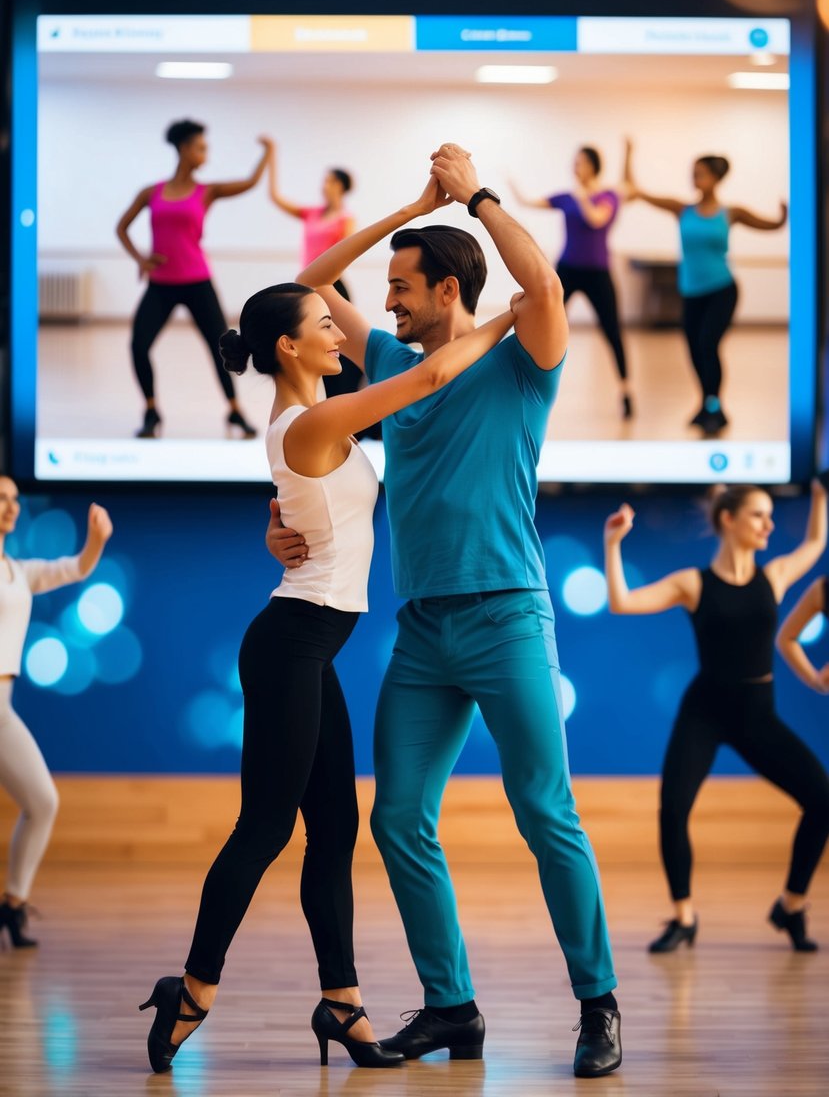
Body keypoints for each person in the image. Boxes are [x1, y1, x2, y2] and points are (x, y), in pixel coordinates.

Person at [137, 176, 521, 1075]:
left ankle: (342, 1005)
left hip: (312, 644)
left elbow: (310, 278)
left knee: (335, 833)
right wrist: (510, 315)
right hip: (291, 642)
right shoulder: (310, 422)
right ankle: (192, 989)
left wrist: (402, 213)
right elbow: (429, 374)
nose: (338, 326)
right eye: (321, 325)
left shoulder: (301, 412)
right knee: (264, 828)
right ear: (288, 348)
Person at [267, 143, 622, 1080]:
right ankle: (451, 1006)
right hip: (421, 630)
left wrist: (478, 199)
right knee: (398, 821)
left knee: (544, 812)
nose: (386, 302)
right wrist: (402, 213)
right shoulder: (385, 359)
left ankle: (598, 1002)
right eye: (386, 288)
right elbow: (302, 287)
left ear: (448, 290)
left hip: (508, 616)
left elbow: (540, 285)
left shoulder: (521, 365)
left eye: (403, 287)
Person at [604, 482, 829, 953]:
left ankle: (790, 906)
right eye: (758, 516)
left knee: (822, 799)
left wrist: (820, 495)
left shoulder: (777, 576)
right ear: (729, 520)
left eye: (770, 516)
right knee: (673, 810)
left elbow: (815, 543)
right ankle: (684, 917)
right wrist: (612, 544)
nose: (768, 525)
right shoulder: (693, 583)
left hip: (757, 713)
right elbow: (623, 602)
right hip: (705, 710)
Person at [0, 478, 113, 948]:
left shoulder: (17, 571)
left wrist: (96, 541)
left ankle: (13, 905)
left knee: (43, 802)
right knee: (43, 802)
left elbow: (75, 569)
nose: (9, 507)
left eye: (12, 500)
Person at [116, 120, 270, 439]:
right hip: (161, 283)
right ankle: (151, 410)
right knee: (138, 345)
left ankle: (235, 410)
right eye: (200, 148)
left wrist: (268, 153)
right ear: (184, 149)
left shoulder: (207, 191)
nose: (205, 154)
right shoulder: (151, 192)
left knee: (220, 346)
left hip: (197, 280)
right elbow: (122, 227)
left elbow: (250, 182)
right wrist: (141, 259)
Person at [623, 141, 787, 436]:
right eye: (693, 173)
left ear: (715, 177)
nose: (694, 178)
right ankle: (706, 402)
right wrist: (628, 154)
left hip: (722, 290)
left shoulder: (731, 212)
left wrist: (783, 216)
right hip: (691, 293)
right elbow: (638, 191)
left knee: (708, 344)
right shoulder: (682, 209)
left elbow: (771, 225)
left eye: (700, 173)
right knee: (694, 350)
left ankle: (715, 406)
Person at [511, 145, 633, 419]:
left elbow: (596, 218)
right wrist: (511, 183)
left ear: (593, 166)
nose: (575, 167)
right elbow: (528, 202)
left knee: (612, 330)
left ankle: (626, 391)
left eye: (580, 163)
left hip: (598, 273)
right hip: (567, 269)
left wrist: (581, 198)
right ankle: (524, 384)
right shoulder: (567, 197)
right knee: (542, 321)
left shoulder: (608, 197)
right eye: (574, 162)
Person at [266, 146, 372, 414]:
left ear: (340, 187)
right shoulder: (312, 213)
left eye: (328, 181)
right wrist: (271, 157)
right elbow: (276, 198)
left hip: (331, 287)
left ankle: (345, 403)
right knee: (314, 346)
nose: (323, 186)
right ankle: (328, 406)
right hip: (306, 289)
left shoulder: (345, 219)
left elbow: (347, 253)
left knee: (339, 345)